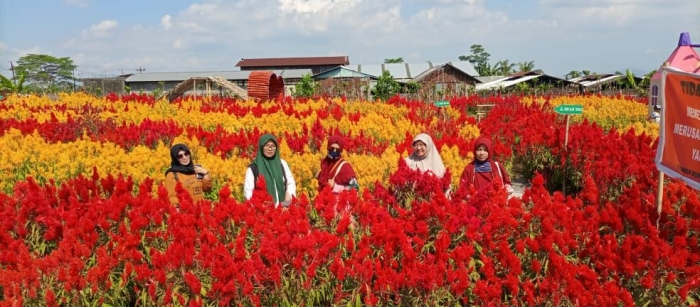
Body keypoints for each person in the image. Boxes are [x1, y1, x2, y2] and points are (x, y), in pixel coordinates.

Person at [243, 134, 296, 207]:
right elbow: (248, 192)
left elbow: (290, 183)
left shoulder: (282, 164)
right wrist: (259, 208)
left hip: (284, 210)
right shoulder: (253, 168)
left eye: (273, 146)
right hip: (263, 212)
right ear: (261, 147)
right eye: (267, 146)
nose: (270, 149)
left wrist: (287, 201)